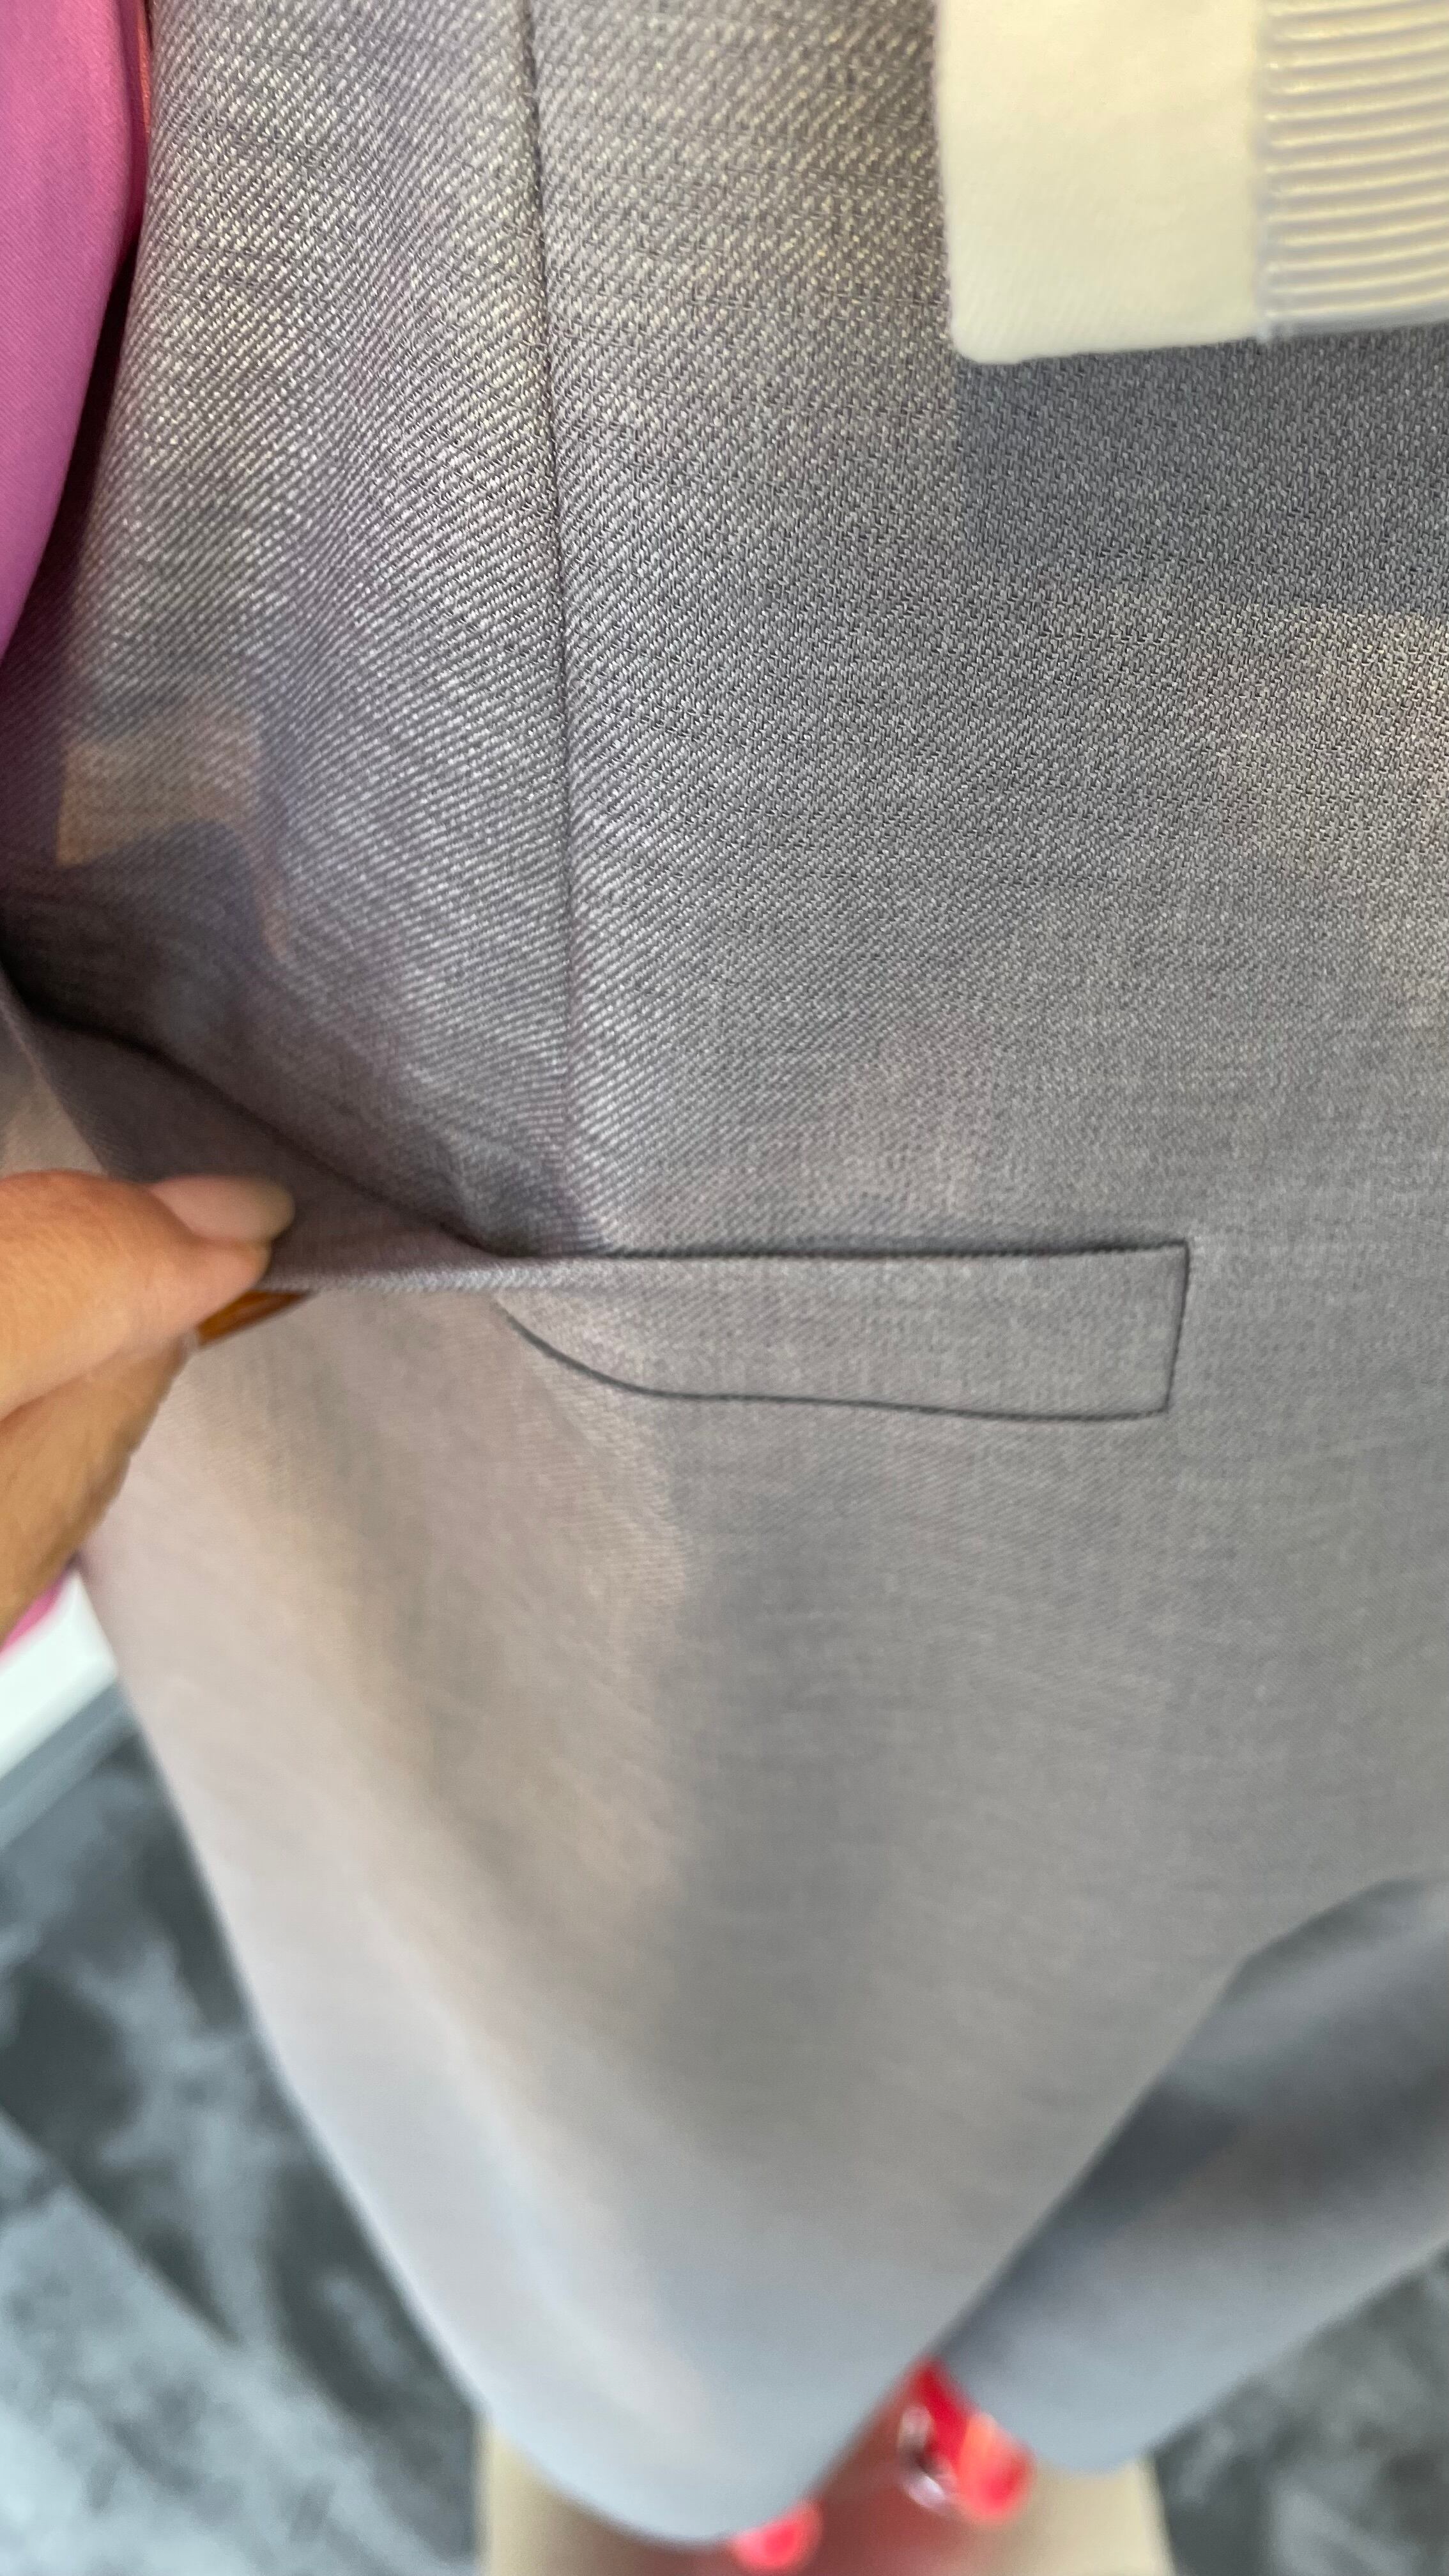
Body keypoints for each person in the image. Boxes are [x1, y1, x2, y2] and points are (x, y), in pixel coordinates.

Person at [3, 0, 1447, 2568]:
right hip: (796, 825)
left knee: (1310, 2015)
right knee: (692, 2062)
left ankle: (1018, 2376)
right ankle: (724, 2438)